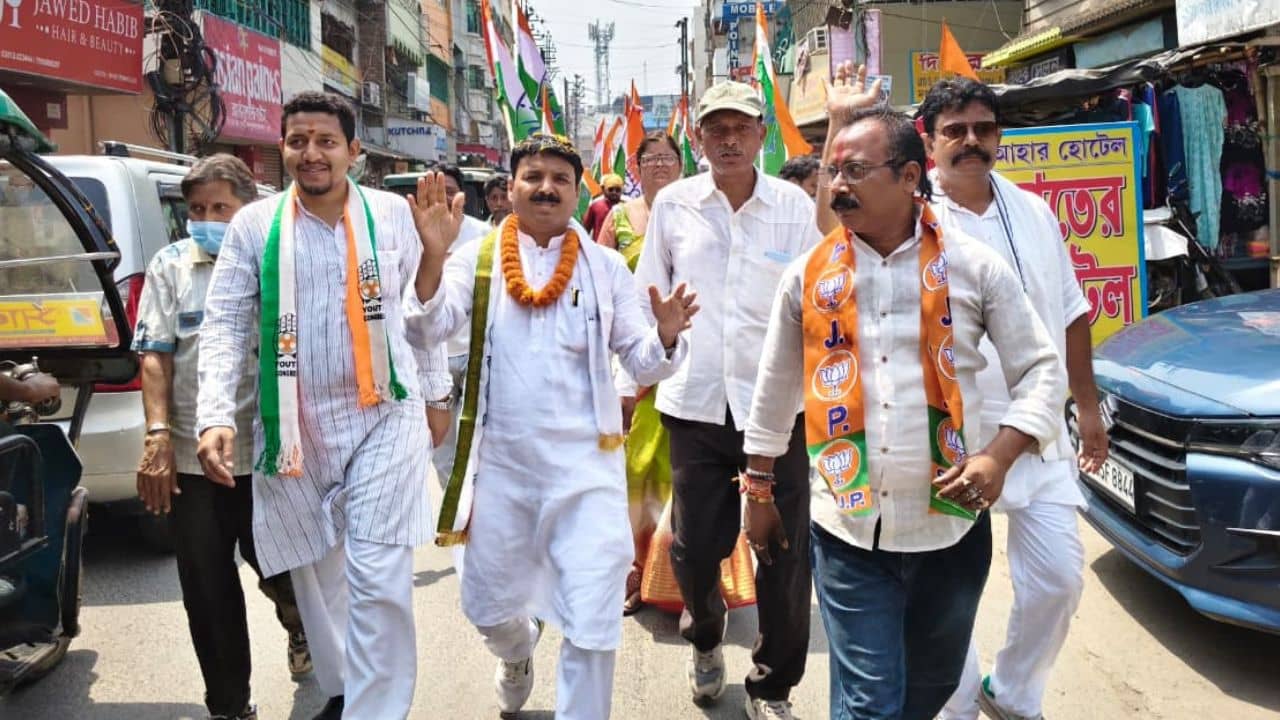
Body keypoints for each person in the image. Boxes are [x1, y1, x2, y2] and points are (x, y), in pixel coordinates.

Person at [745, 105, 1065, 720]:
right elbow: (776, 391)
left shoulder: (973, 266)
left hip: (949, 530)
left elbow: (1042, 370)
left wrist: (999, 457)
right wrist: (758, 489)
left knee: (930, 688)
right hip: (847, 530)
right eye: (833, 171)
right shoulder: (807, 278)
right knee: (871, 701)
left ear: (910, 176)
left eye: (856, 171)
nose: (836, 186)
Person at [404, 133, 697, 720]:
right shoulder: (476, 260)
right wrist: (433, 256)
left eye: (560, 179)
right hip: (501, 471)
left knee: (593, 615)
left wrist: (665, 334)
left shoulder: (606, 267)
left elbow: (641, 360)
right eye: (533, 176)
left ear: (577, 189)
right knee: (486, 606)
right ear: (509, 188)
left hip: (586, 471)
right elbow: (426, 328)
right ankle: (517, 652)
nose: (546, 188)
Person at [195, 92, 453, 720]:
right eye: (298, 141)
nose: (311, 154)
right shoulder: (255, 226)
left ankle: (376, 711)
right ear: (283, 149)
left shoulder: (394, 215)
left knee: (379, 572)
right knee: (317, 573)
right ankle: (347, 692)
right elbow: (225, 320)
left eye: (326, 141)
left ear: (353, 152)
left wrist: (437, 390)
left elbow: (424, 317)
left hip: (384, 416)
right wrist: (215, 415)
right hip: (296, 424)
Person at [634, 81, 822, 720]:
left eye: (741, 127)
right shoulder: (674, 206)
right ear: (699, 139)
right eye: (716, 128)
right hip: (695, 405)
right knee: (696, 546)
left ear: (761, 134)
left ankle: (772, 686)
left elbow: (818, 300)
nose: (729, 139)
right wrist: (657, 333)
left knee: (784, 555)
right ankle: (706, 637)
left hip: (777, 410)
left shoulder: (792, 207)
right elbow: (647, 299)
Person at [920, 78, 1105, 720]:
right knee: (947, 591)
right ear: (929, 140)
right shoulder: (912, 222)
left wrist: (1087, 406)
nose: (972, 141)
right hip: (949, 438)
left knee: (1059, 579)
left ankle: (1015, 692)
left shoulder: (1034, 211)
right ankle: (959, 700)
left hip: (1039, 427)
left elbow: (1073, 311)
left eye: (984, 128)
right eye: (956, 130)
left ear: (999, 136)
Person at [132, 154, 310, 720]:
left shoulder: (284, 260)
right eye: (197, 209)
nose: (206, 218)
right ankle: (230, 706)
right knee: (208, 593)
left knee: (289, 576)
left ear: (249, 207)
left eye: (220, 208)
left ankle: (302, 630)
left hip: (270, 457)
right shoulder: (171, 266)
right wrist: (157, 435)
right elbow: (156, 354)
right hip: (193, 459)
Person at [597, 130, 684, 614]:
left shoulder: (697, 211)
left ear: (680, 163)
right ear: (636, 166)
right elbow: (596, 282)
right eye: (649, 158)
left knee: (682, 476)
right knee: (632, 473)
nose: (659, 166)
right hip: (631, 363)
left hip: (687, 362)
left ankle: (678, 580)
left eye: (668, 158)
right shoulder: (618, 219)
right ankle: (634, 575)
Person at [429, 161, 493, 487]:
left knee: (476, 435)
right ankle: (449, 508)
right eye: (435, 190)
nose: (441, 198)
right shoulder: (414, 232)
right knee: (439, 442)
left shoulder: (484, 235)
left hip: (473, 356)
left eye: (449, 191)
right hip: (433, 362)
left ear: (462, 197)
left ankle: (474, 503)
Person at [583, 173, 624, 240]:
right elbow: (585, 230)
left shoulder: (626, 207)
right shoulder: (595, 206)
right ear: (603, 189)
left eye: (617, 190)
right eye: (611, 189)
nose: (614, 192)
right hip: (599, 247)